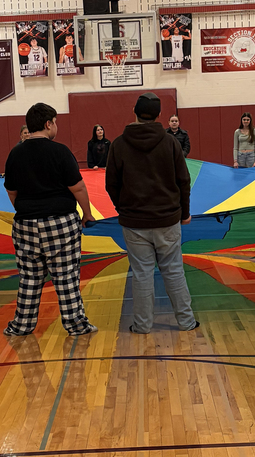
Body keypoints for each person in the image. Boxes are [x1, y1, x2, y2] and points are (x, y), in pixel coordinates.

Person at [106, 93, 199, 334]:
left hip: (134, 222)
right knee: (174, 270)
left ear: (134, 112)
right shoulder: (170, 144)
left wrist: (124, 208)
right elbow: (183, 181)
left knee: (141, 274)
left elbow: (111, 185)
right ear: (159, 116)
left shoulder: (118, 144)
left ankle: (143, 325)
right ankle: (186, 322)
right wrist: (184, 212)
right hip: (168, 220)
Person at [2, 103, 98, 336]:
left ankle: (21, 326)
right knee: (66, 276)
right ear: (48, 124)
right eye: (55, 122)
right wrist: (87, 214)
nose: (56, 126)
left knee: (29, 278)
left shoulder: (15, 153)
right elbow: (78, 188)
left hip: (25, 224)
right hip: (60, 222)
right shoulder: (60, 151)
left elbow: (12, 191)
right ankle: (76, 325)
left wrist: (27, 211)